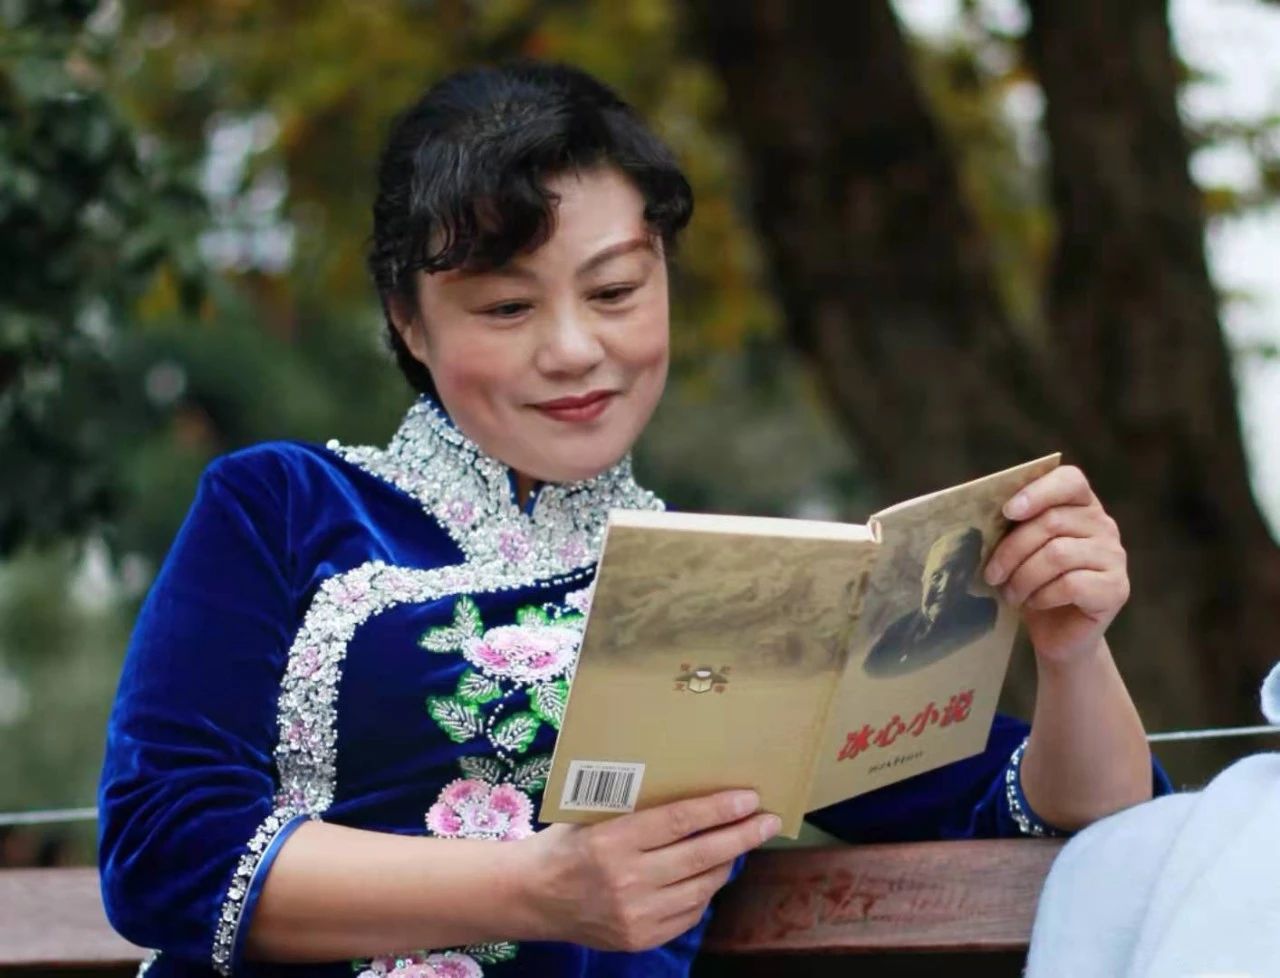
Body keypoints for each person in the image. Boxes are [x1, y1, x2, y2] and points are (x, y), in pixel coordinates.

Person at [98, 62, 1168, 978]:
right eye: (507, 306)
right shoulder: (284, 507)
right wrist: (535, 888)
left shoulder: (751, 590)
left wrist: (1070, 650)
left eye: (612, 292)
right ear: (407, 321)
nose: (574, 350)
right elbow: (164, 851)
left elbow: (1053, 813)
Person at [863, 525, 998, 677]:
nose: (944, 586)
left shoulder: (984, 613)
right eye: (937, 576)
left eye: (958, 572)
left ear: (970, 574)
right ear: (924, 578)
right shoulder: (896, 631)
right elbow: (871, 671)